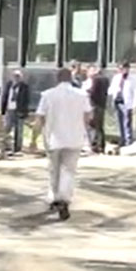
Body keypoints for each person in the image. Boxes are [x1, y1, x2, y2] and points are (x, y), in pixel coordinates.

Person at [37, 67, 92, 221]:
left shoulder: (48, 95)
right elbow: (88, 114)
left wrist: (37, 137)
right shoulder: (81, 95)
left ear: (57, 79)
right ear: (71, 78)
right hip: (74, 137)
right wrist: (83, 128)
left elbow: (40, 117)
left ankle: (54, 197)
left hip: (53, 137)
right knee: (69, 170)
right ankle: (64, 199)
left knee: (54, 169)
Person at [0, 70, 31, 155]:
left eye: (18, 76)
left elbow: (27, 100)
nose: (16, 78)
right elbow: (5, 97)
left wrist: (24, 112)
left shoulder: (24, 87)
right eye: (15, 76)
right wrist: (3, 110)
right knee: (7, 129)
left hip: (19, 110)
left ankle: (18, 149)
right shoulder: (9, 85)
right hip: (9, 109)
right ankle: (7, 147)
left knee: (19, 130)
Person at [85, 65, 110, 153]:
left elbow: (93, 92)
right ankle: (101, 145)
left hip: (94, 104)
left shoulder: (95, 79)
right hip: (102, 104)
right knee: (100, 126)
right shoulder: (106, 79)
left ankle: (94, 145)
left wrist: (88, 92)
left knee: (93, 125)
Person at [111, 62, 136, 147]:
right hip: (117, 101)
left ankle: (128, 140)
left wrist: (134, 104)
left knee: (127, 122)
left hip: (127, 102)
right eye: (120, 69)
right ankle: (122, 139)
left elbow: (134, 92)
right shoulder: (116, 78)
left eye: (123, 68)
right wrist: (114, 90)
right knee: (120, 121)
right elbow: (111, 89)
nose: (122, 71)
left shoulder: (132, 79)